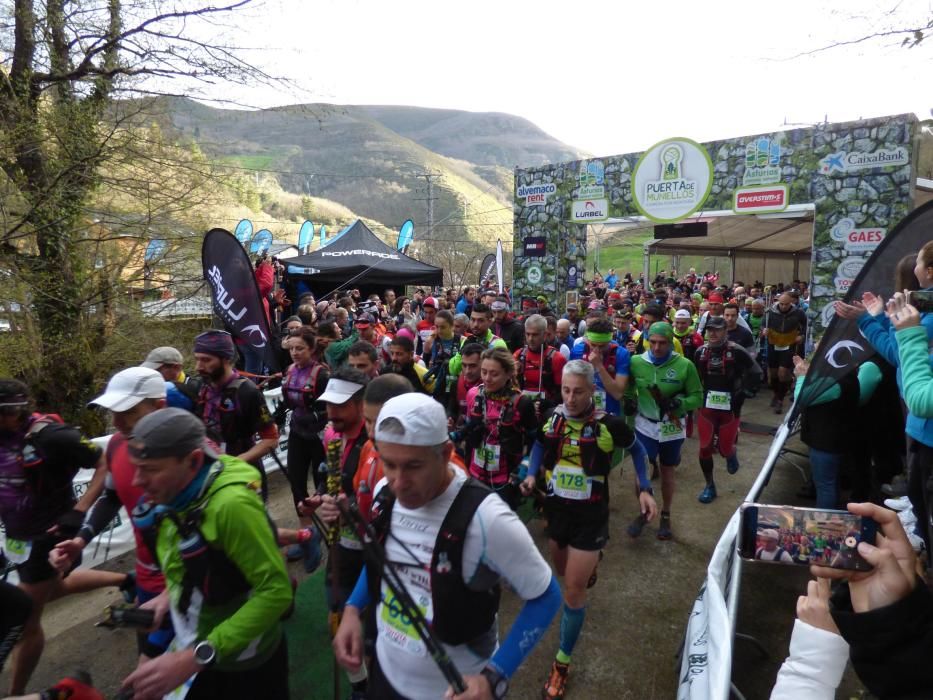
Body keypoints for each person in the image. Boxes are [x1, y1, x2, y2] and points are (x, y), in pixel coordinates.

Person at [332, 393, 562, 700]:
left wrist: (494, 678)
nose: (399, 482)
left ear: (445, 453)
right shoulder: (385, 493)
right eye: (389, 464)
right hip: (386, 678)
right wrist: (351, 609)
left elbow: (546, 595)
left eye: (414, 466)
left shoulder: (488, 518)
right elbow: (381, 556)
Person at [120, 409, 293, 700]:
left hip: (244, 664)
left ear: (194, 461)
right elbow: (198, 560)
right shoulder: (179, 493)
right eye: (136, 468)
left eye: (150, 469)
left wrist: (196, 657)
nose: (137, 481)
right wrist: (167, 598)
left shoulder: (231, 506)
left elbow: (276, 592)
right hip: (201, 652)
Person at [520, 361, 656, 699]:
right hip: (557, 512)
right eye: (566, 390)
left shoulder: (608, 425)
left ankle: (562, 663)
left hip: (591, 516)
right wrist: (532, 474)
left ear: (592, 391)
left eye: (578, 391)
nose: (570, 397)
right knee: (563, 571)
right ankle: (590, 562)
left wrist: (644, 488)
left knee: (573, 591)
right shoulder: (553, 416)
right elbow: (538, 444)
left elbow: (638, 450)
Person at [0, 380, 125, 695]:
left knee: (26, 620)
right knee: (48, 591)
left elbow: (102, 461)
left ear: (11, 411)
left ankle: (15, 695)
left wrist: (79, 512)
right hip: (18, 539)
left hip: (50, 538)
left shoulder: (51, 436)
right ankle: (126, 579)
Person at [50, 368, 176, 662]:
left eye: (127, 412)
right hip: (148, 574)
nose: (116, 423)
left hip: (192, 576)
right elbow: (113, 495)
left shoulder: (190, 449)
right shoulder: (119, 443)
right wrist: (81, 539)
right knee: (149, 661)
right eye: (112, 412)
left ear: (159, 406)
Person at [625, 323, 703, 540]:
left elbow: (698, 396)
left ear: (671, 343)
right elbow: (630, 387)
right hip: (645, 425)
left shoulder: (685, 365)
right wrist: (630, 400)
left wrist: (679, 404)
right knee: (641, 469)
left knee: (668, 470)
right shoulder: (636, 362)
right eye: (653, 342)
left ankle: (666, 514)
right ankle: (643, 510)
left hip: (672, 428)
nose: (657, 347)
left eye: (663, 343)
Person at [192, 330, 278, 500]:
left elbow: (271, 440)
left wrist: (236, 462)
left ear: (225, 359)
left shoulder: (247, 392)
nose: (198, 367)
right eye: (197, 359)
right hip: (212, 475)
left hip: (245, 474)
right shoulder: (201, 386)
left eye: (206, 360)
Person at [458, 347, 538, 508]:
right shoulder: (474, 394)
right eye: (484, 372)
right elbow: (469, 428)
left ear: (508, 373)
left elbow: (535, 442)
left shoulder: (522, 403)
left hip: (506, 480)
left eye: (494, 374)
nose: (487, 378)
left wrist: (525, 469)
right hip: (475, 474)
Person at [693, 316, 760, 503]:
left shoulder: (736, 351)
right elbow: (695, 378)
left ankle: (730, 453)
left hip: (730, 409)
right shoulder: (701, 352)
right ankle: (709, 486)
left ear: (725, 331)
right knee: (705, 448)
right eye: (709, 330)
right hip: (707, 408)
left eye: (717, 329)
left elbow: (756, 372)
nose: (713, 333)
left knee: (723, 448)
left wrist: (745, 392)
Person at [279, 326, 328, 570]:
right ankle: (307, 535)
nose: (295, 353)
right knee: (297, 482)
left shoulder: (321, 374)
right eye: (292, 348)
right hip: (298, 433)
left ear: (312, 349)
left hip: (319, 436)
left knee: (323, 482)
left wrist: (320, 416)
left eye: (301, 348)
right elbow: (287, 402)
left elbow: (330, 408)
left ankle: (330, 531)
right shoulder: (289, 371)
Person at [569, 317, 630, 417]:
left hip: (610, 413)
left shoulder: (621, 354)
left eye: (602, 346)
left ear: (610, 341)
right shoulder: (577, 351)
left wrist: (599, 366)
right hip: (584, 411)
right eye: (593, 345)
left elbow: (618, 394)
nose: (597, 350)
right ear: (588, 340)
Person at [762, 293, 807, 414]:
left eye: (786, 304)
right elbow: (763, 326)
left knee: (783, 372)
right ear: (778, 302)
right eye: (781, 304)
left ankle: (780, 400)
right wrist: (764, 331)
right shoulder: (769, 312)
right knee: (773, 374)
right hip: (773, 344)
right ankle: (777, 394)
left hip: (789, 344)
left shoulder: (799, 313)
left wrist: (801, 336)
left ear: (791, 302)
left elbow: (805, 327)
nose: (783, 306)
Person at [515, 314, 567, 408]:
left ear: (545, 335)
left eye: (535, 335)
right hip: (522, 406)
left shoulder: (557, 358)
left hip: (547, 407)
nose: (530, 339)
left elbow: (563, 393)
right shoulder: (518, 355)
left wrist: (548, 404)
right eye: (528, 334)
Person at [446, 342, 484, 432]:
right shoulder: (455, 382)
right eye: (464, 365)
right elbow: (452, 408)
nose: (467, 371)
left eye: (473, 366)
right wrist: (449, 419)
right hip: (461, 433)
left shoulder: (491, 386)